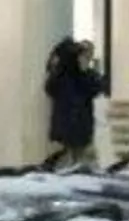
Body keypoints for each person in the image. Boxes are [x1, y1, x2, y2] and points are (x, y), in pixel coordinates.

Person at [43, 36, 106, 166]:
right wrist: (57, 67)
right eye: (83, 53)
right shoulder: (63, 75)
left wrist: (84, 71)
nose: (85, 56)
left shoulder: (88, 74)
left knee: (80, 157)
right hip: (68, 123)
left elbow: (97, 88)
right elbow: (50, 89)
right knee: (68, 158)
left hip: (81, 123)